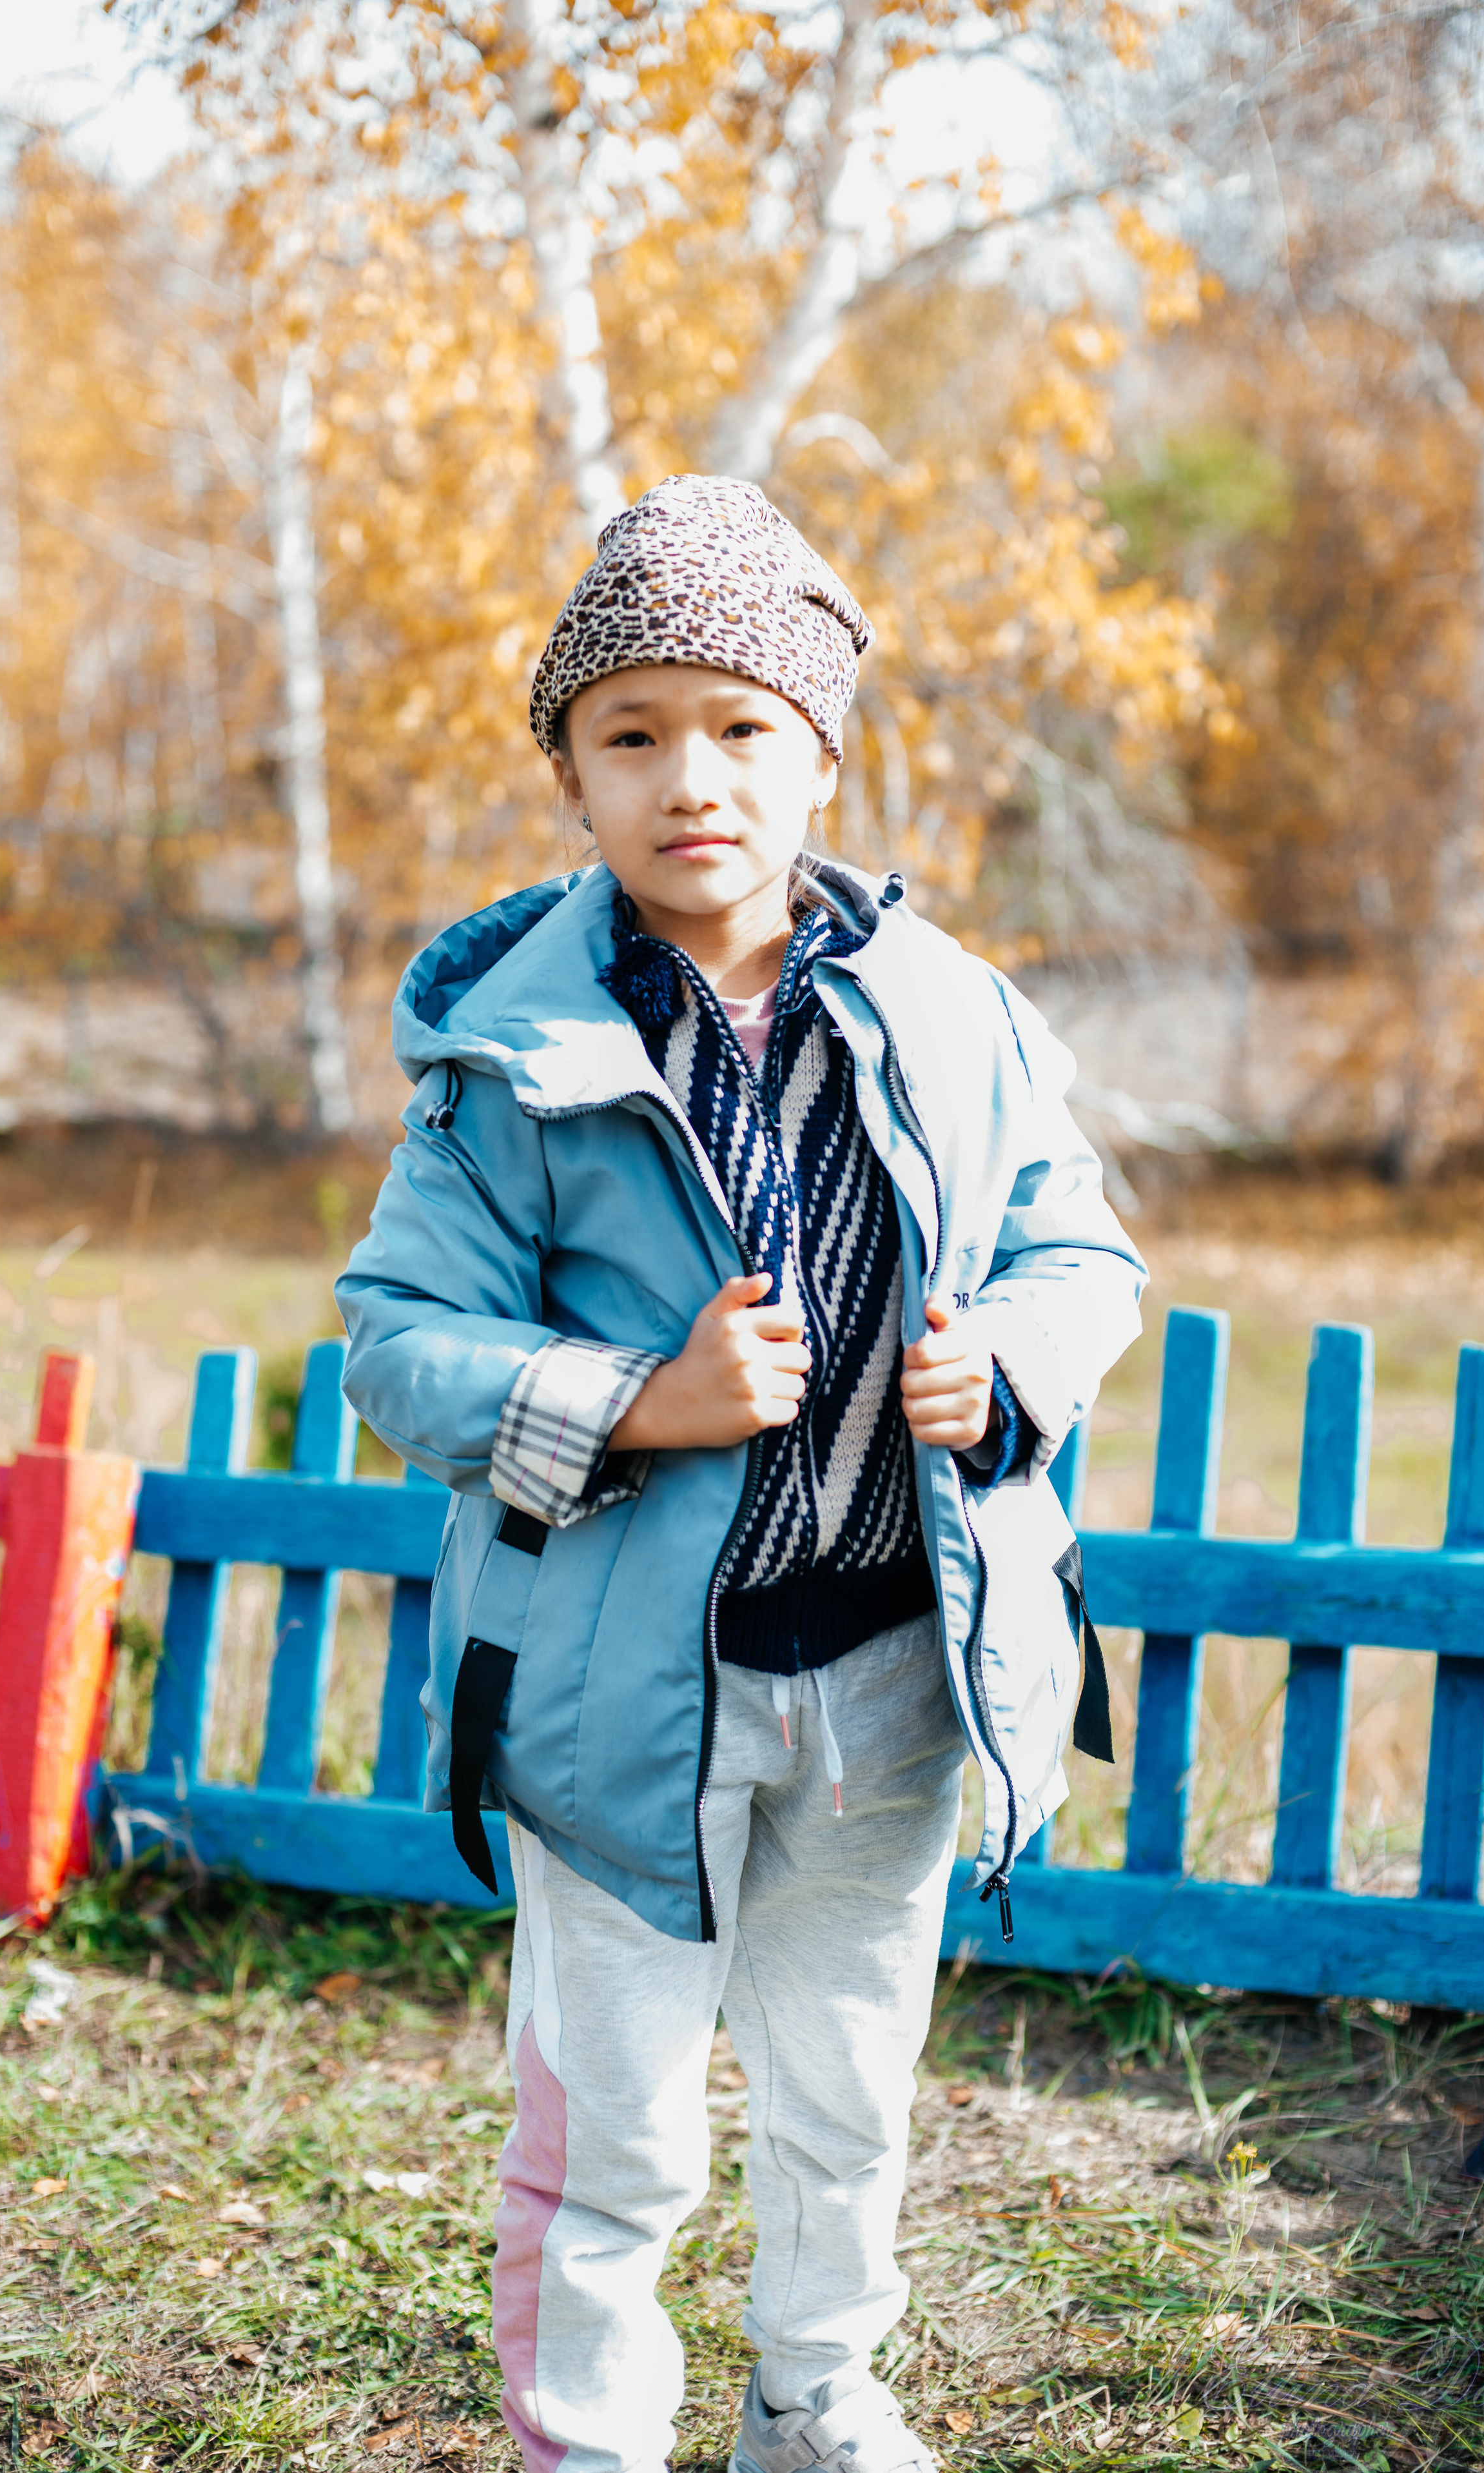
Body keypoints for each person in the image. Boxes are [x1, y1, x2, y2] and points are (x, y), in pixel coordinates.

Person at [336, 473, 1146, 2473]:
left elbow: (1083, 1255)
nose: (690, 776)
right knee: (613, 2125)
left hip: (893, 1670)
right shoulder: (513, 1059)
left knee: (846, 2094)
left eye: (740, 726)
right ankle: (589, 2438)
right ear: (570, 774)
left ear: (820, 755)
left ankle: (816, 2396)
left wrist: (1009, 1361)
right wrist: (637, 1398)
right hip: (620, 1698)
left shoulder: (955, 1014)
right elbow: (397, 1342)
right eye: (631, 734)